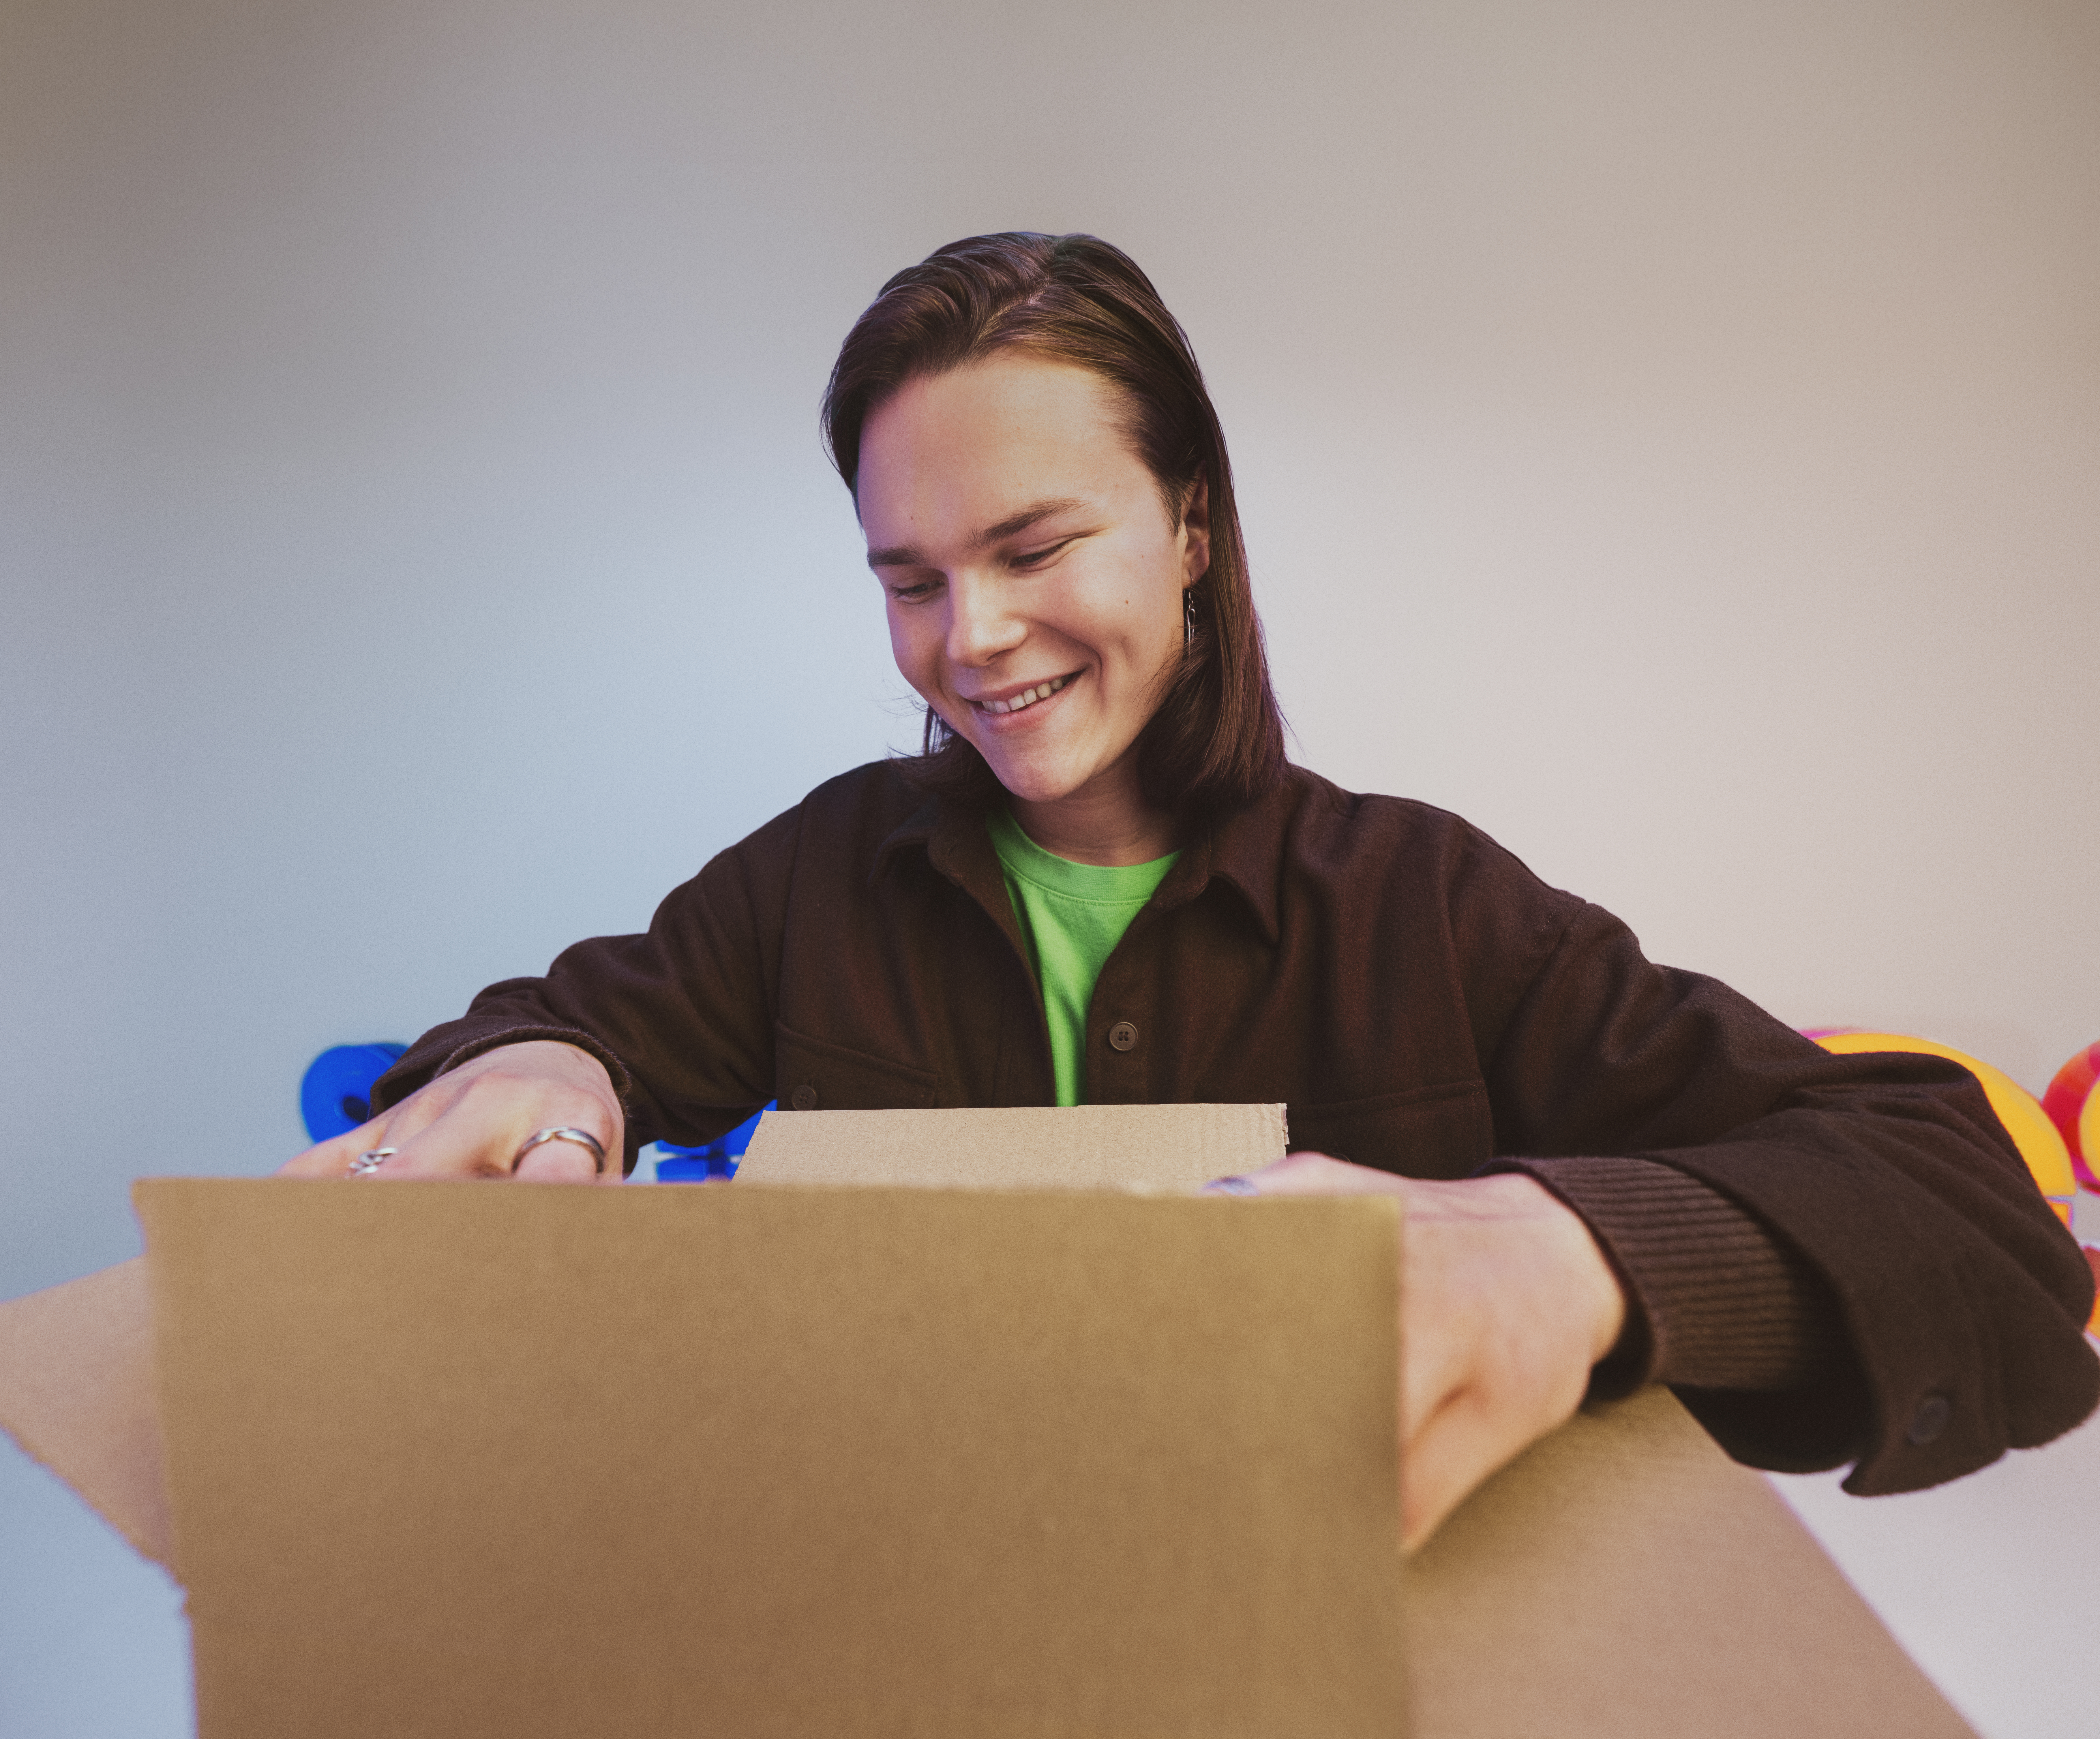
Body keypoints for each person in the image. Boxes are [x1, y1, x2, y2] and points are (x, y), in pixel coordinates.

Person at [282, 232, 2098, 1551]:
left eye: (1036, 544)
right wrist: (559, 1075)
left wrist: (1578, 1260)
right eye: (908, 577)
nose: (968, 639)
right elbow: (546, 1034)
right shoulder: (818, 879)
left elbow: (1961, 1196)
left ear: (1193, 530)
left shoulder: (1424, 908)